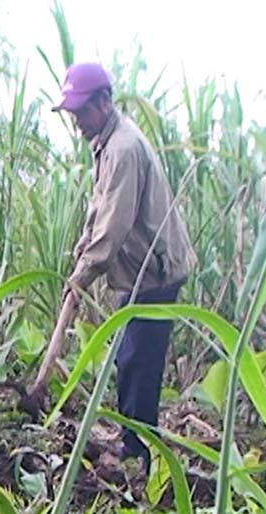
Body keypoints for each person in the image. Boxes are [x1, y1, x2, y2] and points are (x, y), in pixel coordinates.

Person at [39, 62, 196, 470]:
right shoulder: (108, 143)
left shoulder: (124, 148)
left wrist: (84, 274)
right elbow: (100, 208)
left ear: (104, 103)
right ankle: (132, 438)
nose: (76, 124)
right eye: (71, 116)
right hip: (139, 269)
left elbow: (114, 227)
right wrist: (81, 250)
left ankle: (138, 451)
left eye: (80, 113)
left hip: (154, 271)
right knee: (130, 358)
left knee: (138, 362)